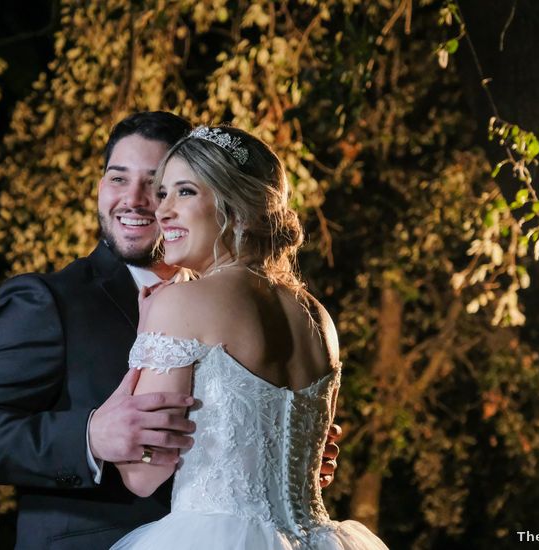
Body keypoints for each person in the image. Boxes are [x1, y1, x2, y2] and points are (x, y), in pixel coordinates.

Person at [0, 112, 341, 550]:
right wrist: (90, 437)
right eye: (116, 178)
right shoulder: (49, 300)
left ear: (221, 195)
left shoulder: (201, 301)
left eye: (159, 185)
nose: (137, 199)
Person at [110, 126, 387, 549]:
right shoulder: (318, 316)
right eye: (162, 193)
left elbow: (143, 476)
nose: (161, 211)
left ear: (236, 205)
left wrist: (144, 342)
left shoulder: (178, 305)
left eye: (184, 192)